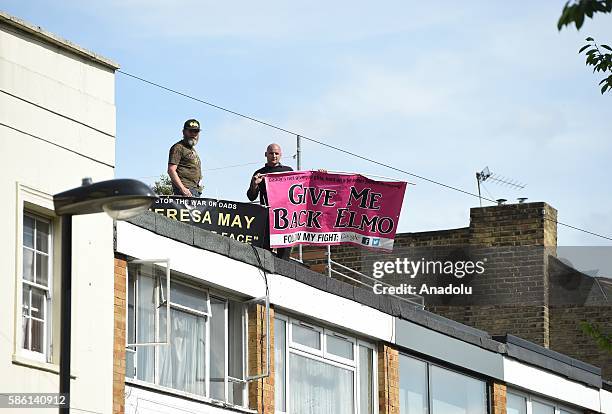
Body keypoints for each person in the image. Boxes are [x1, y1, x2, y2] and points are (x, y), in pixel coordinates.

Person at [247, 143, 293, 259]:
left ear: (281, 155)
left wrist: (319, 176)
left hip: (285, 217)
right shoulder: (259, 173)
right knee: (264, 250)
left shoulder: (288, 171)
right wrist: (254, 184)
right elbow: (251, 197)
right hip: (266, 217)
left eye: (276, 153)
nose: (274, 156)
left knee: (284, 252)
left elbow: (301, 189)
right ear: (266, 154)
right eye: (271, 153)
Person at [168, 119, 203, 197]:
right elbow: (171, 170)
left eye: (196, 132)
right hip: (185, 192)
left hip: (194, 191)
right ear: (184, 132)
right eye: (190, 131)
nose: (193, 134)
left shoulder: (191, 149)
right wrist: (183, 189)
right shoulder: (178, 147)